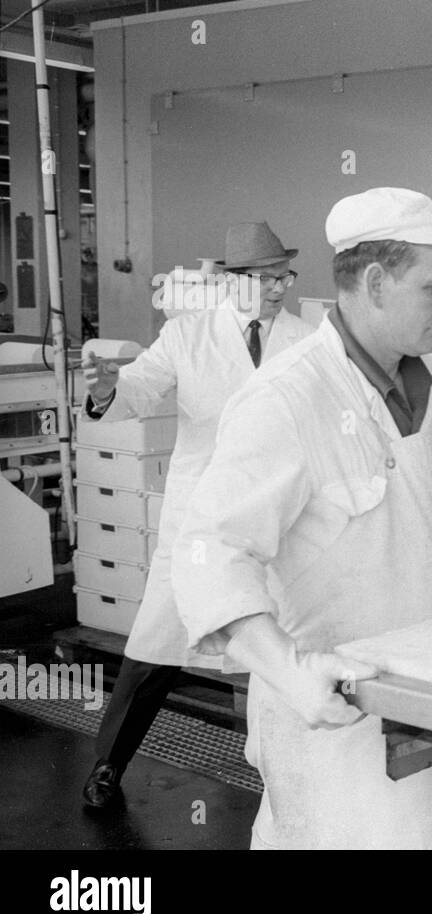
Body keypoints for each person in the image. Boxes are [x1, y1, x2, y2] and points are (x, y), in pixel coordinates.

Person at [171, 188, 432, 849]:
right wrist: (285, 669)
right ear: (374, 283)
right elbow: (206, 557)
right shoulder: (287, 399)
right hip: (344, 734)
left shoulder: (428, 380)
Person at [79, 221, 315, 810]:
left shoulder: (308, 339)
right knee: (155, 647)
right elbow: (137, 389)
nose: (278, 288)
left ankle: (290, 783)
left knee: (282, 650)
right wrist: (108, 388)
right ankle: (107, 767)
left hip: (279, 522)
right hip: (201, 521)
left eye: (284, 276)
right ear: (232, 283)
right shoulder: (188, 335)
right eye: (265, 278)